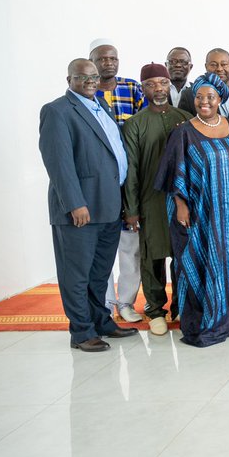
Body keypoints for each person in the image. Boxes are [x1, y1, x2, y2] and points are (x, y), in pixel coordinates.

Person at [155, 73, 229, 347]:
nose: (204, 102)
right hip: (202, 213)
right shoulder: (183, 132)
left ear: (220, 100)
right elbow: (174, 175)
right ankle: (207, 320)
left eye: (210, 97)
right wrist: (181, 205)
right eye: (200, 97)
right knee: (202, 260)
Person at [39, 59, 138, 352]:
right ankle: (81, 332)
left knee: (99, 273)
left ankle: (102, 322)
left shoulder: (101, 105)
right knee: (77, 274)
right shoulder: (57, 111)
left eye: (94, 76)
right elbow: (59, 163)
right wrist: (74, 204)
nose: (90, 81)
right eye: (83, 77)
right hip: (80, 211)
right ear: (69, 78)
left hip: (107, 206)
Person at [122, 63, 190, 336]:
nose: (158, 89)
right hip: (150, 201)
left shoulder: (185, 117)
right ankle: (155, 309)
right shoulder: (135, 124)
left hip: (182, 200)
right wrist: (132, 209)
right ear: (143, 89)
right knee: (152, 256)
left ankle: (181, 305)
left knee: (182, 255)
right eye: (151, 84)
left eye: (162, 83)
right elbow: (131, 171)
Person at [88, 39, 145, 323]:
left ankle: (126, 302)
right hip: (99, 181)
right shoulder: (87, 92)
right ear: (92, 62)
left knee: (130, 242)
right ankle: (105, 302)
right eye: (102, 58)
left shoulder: (132, 88)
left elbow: (144, 126)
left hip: (129, 177)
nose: (108, 62)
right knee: (102, 244)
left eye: (113, 58)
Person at [178, 48, 229, 115]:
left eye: (224, 64)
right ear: (206, 67)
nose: (219, 69)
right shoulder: (189, 95)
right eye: (213, 65)